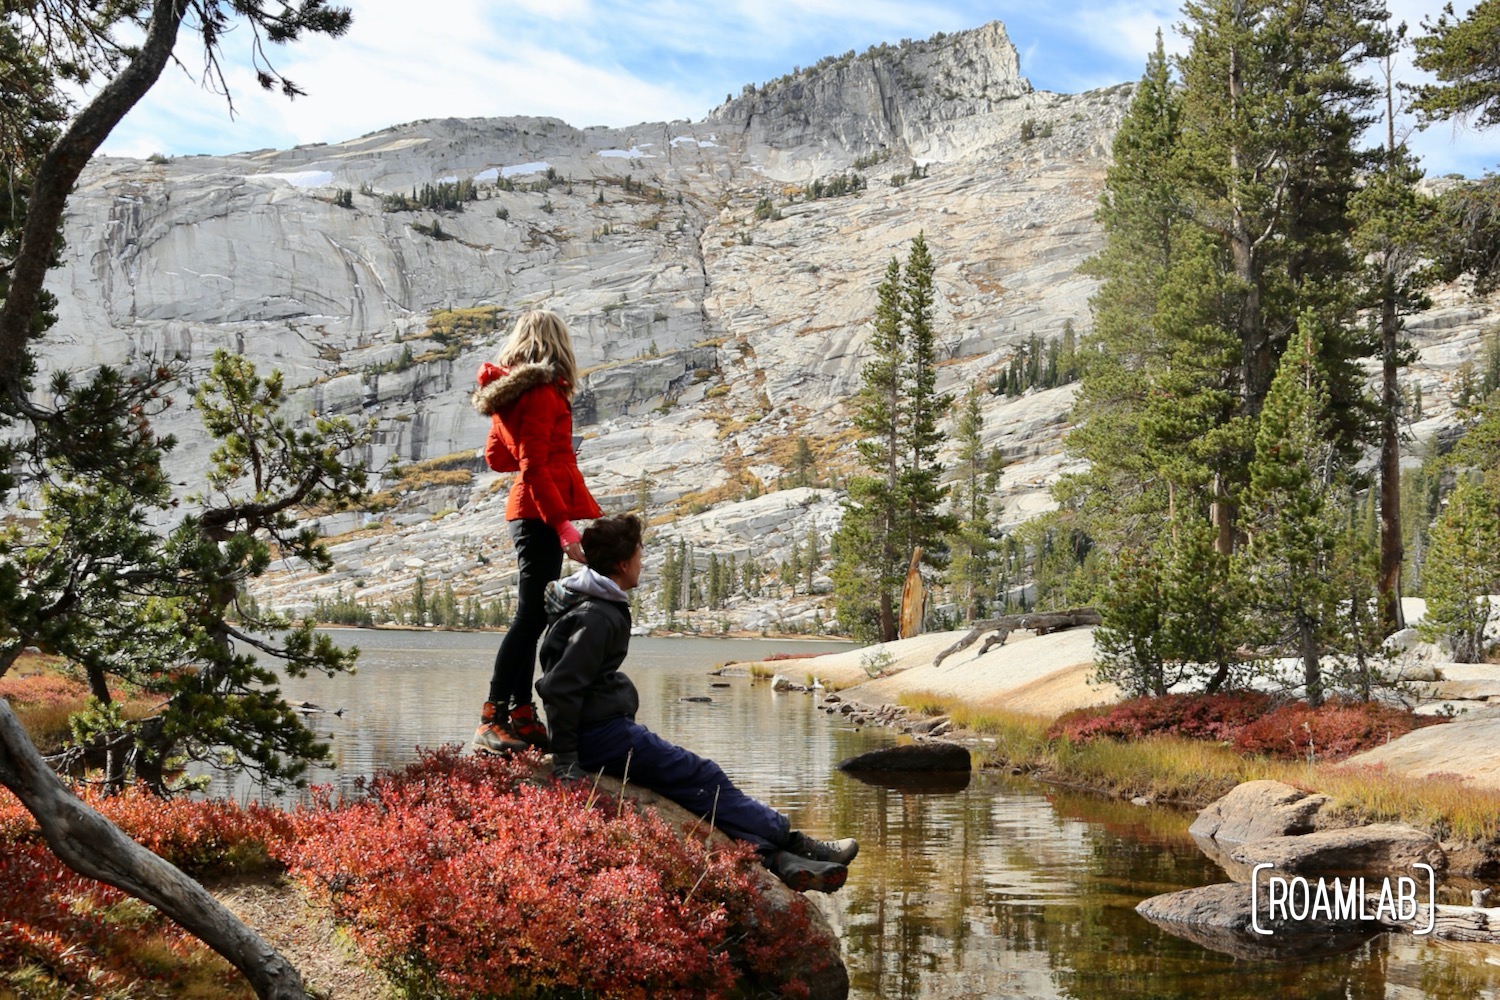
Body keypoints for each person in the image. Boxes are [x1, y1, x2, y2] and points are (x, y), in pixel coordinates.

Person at [536, 513, 859, 893]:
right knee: (704, 776)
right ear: (623, 565)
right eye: (639, 556)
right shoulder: (598, 614)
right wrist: (566, 761)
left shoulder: (598, 603)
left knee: (692, 791)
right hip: (600, 736)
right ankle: (793, 840)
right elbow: (560, 687)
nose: (643, 563)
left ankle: (779, 860)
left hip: (604, 729)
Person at [471, 309, 602, 754]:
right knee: (529, 618)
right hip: (539, 513)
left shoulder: (507, 394)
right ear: (558, 345)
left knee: (534, 617)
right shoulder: (544, 393)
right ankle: (493, 716)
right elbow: (531, 466)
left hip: (525, 511)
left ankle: (521, 714)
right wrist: (564, 526)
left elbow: (497, 459)